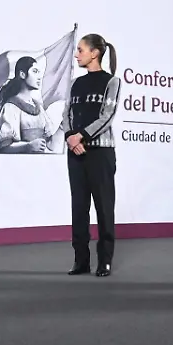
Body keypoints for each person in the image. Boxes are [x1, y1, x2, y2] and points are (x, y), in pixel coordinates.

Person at [61, 33, 121, 277]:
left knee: (104, 207)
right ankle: (81, 261)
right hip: (75, 153)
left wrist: (81, 136)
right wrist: (70, 137)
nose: (77, 55)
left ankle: (104, 260)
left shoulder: (111, 82)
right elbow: (66, 114)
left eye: (81, 50)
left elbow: (107, 116)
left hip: (100, 153)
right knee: (79, 208)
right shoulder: (75, 83)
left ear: (95, 53)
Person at [0, 56, 56, 154]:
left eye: (39, 72)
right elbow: (4, 147)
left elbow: (51, 144)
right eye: (35, 71)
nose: (39, 77)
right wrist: (28, 146)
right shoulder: (11, 107)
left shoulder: (38, 107)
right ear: (22, 74)